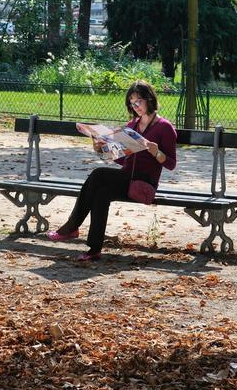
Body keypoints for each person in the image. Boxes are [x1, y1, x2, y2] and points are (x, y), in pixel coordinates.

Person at [47, 80, 177, 261]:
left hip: (143, 184)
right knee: (101, 193)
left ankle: (72, 227)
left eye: (139, 101)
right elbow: (123, 157)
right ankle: (94, 250)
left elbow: (171, 164)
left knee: (98, 174)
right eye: (132, 103)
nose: (135, 106)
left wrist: (157, 152)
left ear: (149, 99)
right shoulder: (132, 126)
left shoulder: (165, 127)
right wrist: (101, 148)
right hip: (126, 178)